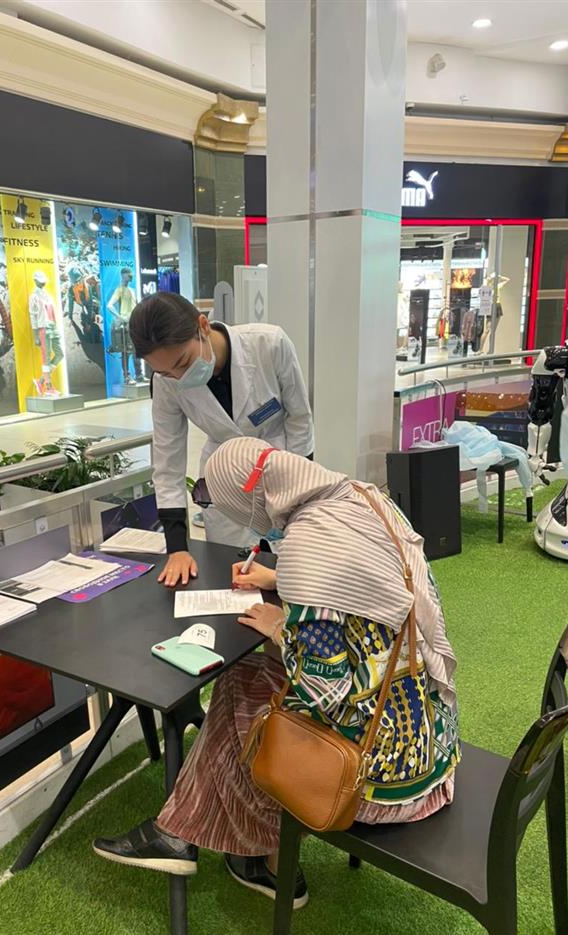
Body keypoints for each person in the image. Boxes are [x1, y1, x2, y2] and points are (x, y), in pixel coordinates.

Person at [93, 438, 460, 909]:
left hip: (378, 776)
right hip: (429, 738)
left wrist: (281, 628)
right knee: (251, 684)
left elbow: (323, 691)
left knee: (244, 686)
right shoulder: (364, 498)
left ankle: (228, 849)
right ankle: (236, 853)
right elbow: (365, 584)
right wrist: (280, 578)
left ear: (250, 500)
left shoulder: (310, 549)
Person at [128, 293, 314, 587]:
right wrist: (177, 547)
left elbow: (300, 419)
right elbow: (167, 464)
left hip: (282, 469)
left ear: (203, 326)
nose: (179, 377)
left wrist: (301, 494)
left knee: (292, 575)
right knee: (231, 580)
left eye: (183, 362)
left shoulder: (269, 344)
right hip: (223, 481)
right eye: (165, 372)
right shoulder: (166, 382)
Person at [107, 267, 144, 385]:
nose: (131, 276)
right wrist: (120, 317)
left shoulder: (132, 290)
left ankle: (139, 374)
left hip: (134, 323)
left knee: (136, 349)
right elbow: (109, 305)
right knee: (126, 351)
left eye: (131, 274)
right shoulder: (119, 290)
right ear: (123, 275)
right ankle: (127, 376)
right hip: (125, 323)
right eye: (129, 274)